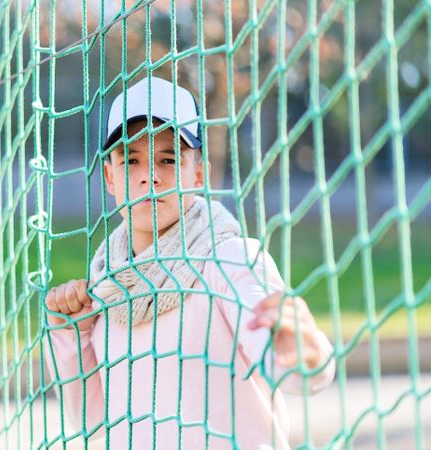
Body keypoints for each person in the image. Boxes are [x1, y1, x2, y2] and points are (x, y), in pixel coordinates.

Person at [44, 76, 335, 449]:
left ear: (198, 173)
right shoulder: (109, 282)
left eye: (168, 158)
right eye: (130, 159)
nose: (149, 175)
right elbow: (94, 419)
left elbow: (298, 374)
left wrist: (302, 348)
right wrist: (74, 333)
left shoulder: (229, 259)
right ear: (109, 176)